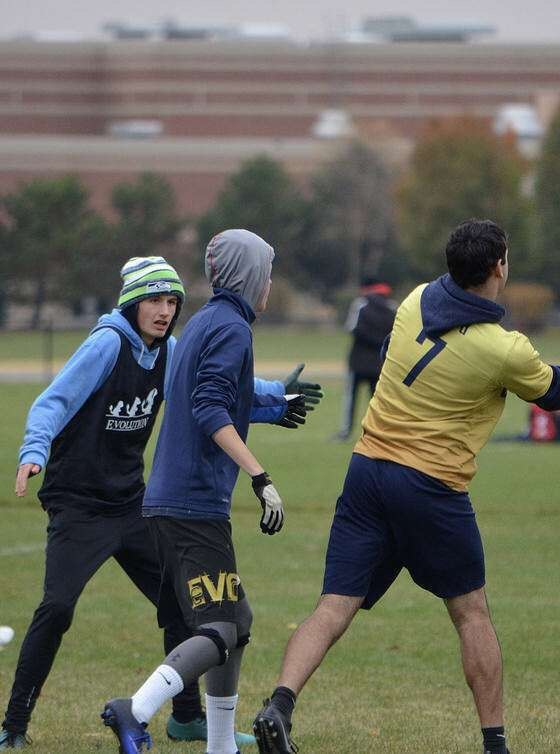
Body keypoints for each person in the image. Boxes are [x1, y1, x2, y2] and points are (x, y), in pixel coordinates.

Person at [251, 219, 560, 754]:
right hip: (430, 487)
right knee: (471, 611)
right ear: (498, 268)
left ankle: (279, 705)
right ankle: (495, 744)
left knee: (333, 605)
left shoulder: (413, 301)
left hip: (366, 471)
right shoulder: (504, 349)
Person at [0, 257, 226, 750]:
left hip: (131, 505)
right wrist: (34, 450)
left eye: (172, 302)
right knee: (57, 608)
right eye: (154, 300)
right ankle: (13, 726)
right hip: (79, 507)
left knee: (182, 604)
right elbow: (52, 402)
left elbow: (208, 394)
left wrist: (277, 399)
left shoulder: (168, 352)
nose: (165, 311)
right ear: (132, 302)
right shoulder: (107, 343)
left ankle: (186, 718)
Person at [101, 229, 298, 754]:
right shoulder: (232, 328)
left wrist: (272, 406)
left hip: (167, 501)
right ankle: (135, 709)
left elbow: (204, 397)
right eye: (266, 272)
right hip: (193, 505)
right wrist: (261, 478)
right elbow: (210, 408)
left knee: (238, 620)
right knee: (221, 625)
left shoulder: (205, 321)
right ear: (248, 275)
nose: (270, 283)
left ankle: (219, 745)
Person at [335, 278, 396, 440]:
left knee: (351, 398)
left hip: (358, 361)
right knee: (377, 400)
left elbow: (351, 328)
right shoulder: (392, 306)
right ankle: (380, 432)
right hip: (380, 362)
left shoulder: (360, 304)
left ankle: (345, 432)